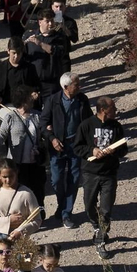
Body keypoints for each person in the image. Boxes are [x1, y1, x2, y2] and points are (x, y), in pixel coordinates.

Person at [76, 96, 129, 259]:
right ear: (103, 110)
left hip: (109, 174)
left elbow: (124, 149)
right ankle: (96, 227)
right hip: (90, 173)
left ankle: (100, 241)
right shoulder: (86, 125)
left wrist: (115, 152)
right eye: (113, 108)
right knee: (89, 205)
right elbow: (77, 147)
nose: (116, 111)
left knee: (106, 209)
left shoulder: (116, 126)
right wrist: (92, 151)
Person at [45, 72, 92, 228]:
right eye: (76, 85)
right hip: (57, 147)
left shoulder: (82, 100)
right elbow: (42, 124)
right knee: (57, 180)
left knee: (73, 179)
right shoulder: (53, 101)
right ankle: (62, 205)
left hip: (75, 146)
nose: (79, 87)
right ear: (66, 87)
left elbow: (88, 121)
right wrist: (52, 138)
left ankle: (66, 213)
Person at [0, 159, 42, 259]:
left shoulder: (26, 193)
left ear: (16, 173)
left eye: (11, 176)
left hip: (21, 241)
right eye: (5, 177)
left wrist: (21, 230)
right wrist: (8, 221)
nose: (8, 180)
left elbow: (37, 220)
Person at [0, 102, 49, 205]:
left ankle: (40, 214)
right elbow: (1, 134)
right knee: (20, 192)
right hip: (18, 163)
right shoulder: (10, 117)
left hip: (36, 162)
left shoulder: (37, 115)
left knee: (38, 191)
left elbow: (44, 133)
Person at [0, 40, 41, 111]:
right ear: (8, 51)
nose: (16, 56)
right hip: (6, 105)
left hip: (25, 105)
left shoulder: (30, 68)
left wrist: (34, 93)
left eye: (19, 53)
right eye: (13, 53)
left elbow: (37, 86)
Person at [25, 12, 70, 90]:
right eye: (47, 21)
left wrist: (40, 43)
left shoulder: (59, 37)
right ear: (40, 22)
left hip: (52, 81)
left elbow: (57, 51)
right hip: (34, 81)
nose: (50, 24)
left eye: (52, 21)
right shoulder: (29, 34)